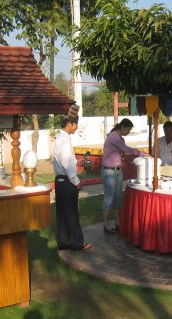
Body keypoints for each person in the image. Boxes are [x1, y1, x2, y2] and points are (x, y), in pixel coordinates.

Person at [53, 105, 92, 251]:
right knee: (71, 213)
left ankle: (64, 242)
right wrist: (76, 181)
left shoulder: (59, 138)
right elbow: (65, 162)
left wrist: (78, 162)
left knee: (62, 213)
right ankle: (77, 243)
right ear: (70, 124)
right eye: (75, 125)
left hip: (60, 180)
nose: (76, 128)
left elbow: (66, 161)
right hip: (67, 181)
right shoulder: (65, 140)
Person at [101, 118, 147, 233]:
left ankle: (117, 222)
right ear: (122, 127)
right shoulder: (113, 137)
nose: (129, 132)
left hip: (117, 171)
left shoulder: (120, 138)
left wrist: (137, 159)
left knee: (118, 198)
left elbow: (124, 154)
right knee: (109, 198)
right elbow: (126, 149)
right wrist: (142, 153)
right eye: (128, 130)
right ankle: (106, 225)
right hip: (109, 171)